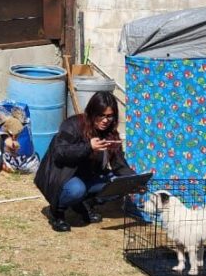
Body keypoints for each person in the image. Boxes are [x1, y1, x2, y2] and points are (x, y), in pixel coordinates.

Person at [33, 91, 136, 232]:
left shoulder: (110, 133)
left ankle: (83, 204)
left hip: (88, 177)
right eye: (101, 115)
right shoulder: (73, 125)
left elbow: (119, 165)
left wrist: (134, 181)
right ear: (92, 112)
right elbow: (60, 153)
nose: (105, 120)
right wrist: (89, 147)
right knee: (77, 189)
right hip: (61, 176)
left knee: (120, 183)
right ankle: (57, 211)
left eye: (110, 116)